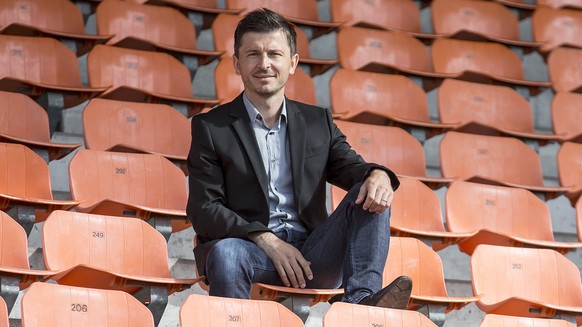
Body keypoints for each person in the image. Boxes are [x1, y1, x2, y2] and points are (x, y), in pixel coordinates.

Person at [187, 7, 411, 308]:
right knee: (227, 253)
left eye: (274, 54)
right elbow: (204, 209)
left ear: (292, 63)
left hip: (313, 256)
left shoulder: (317, 122)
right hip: (251, 250)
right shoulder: (211, 128)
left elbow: (352, 168)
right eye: (253, 54)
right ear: (237, 64)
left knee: (370, 188)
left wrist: (379, 174)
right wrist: (266, 239)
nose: (264, 64)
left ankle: (362, 304)